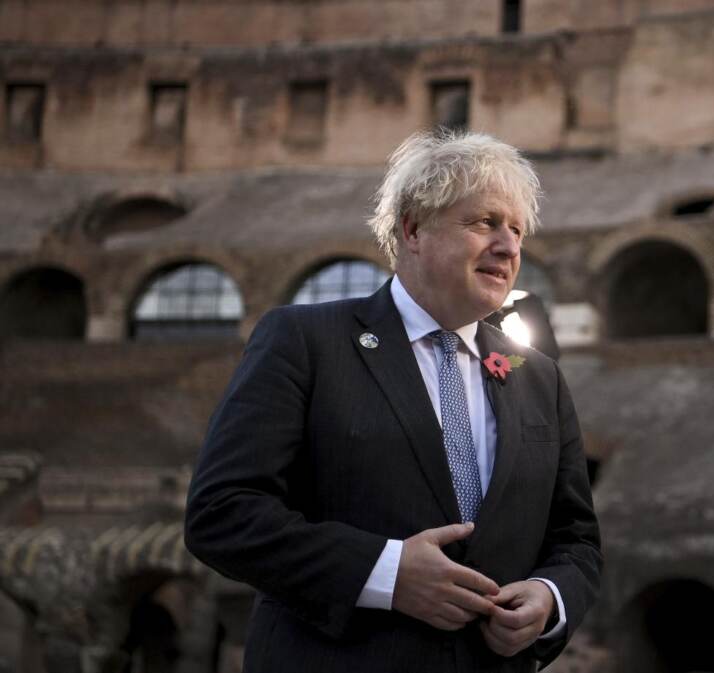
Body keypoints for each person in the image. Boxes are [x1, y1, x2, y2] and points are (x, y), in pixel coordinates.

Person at [184, 130, 602, 672]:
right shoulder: (306, 341)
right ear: (413, 229)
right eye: (484, 223)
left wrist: (550, 597)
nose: (510, 246)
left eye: (517, 230)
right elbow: (221, 513)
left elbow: (577, 539)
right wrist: (384, 573)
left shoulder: (538, 377)